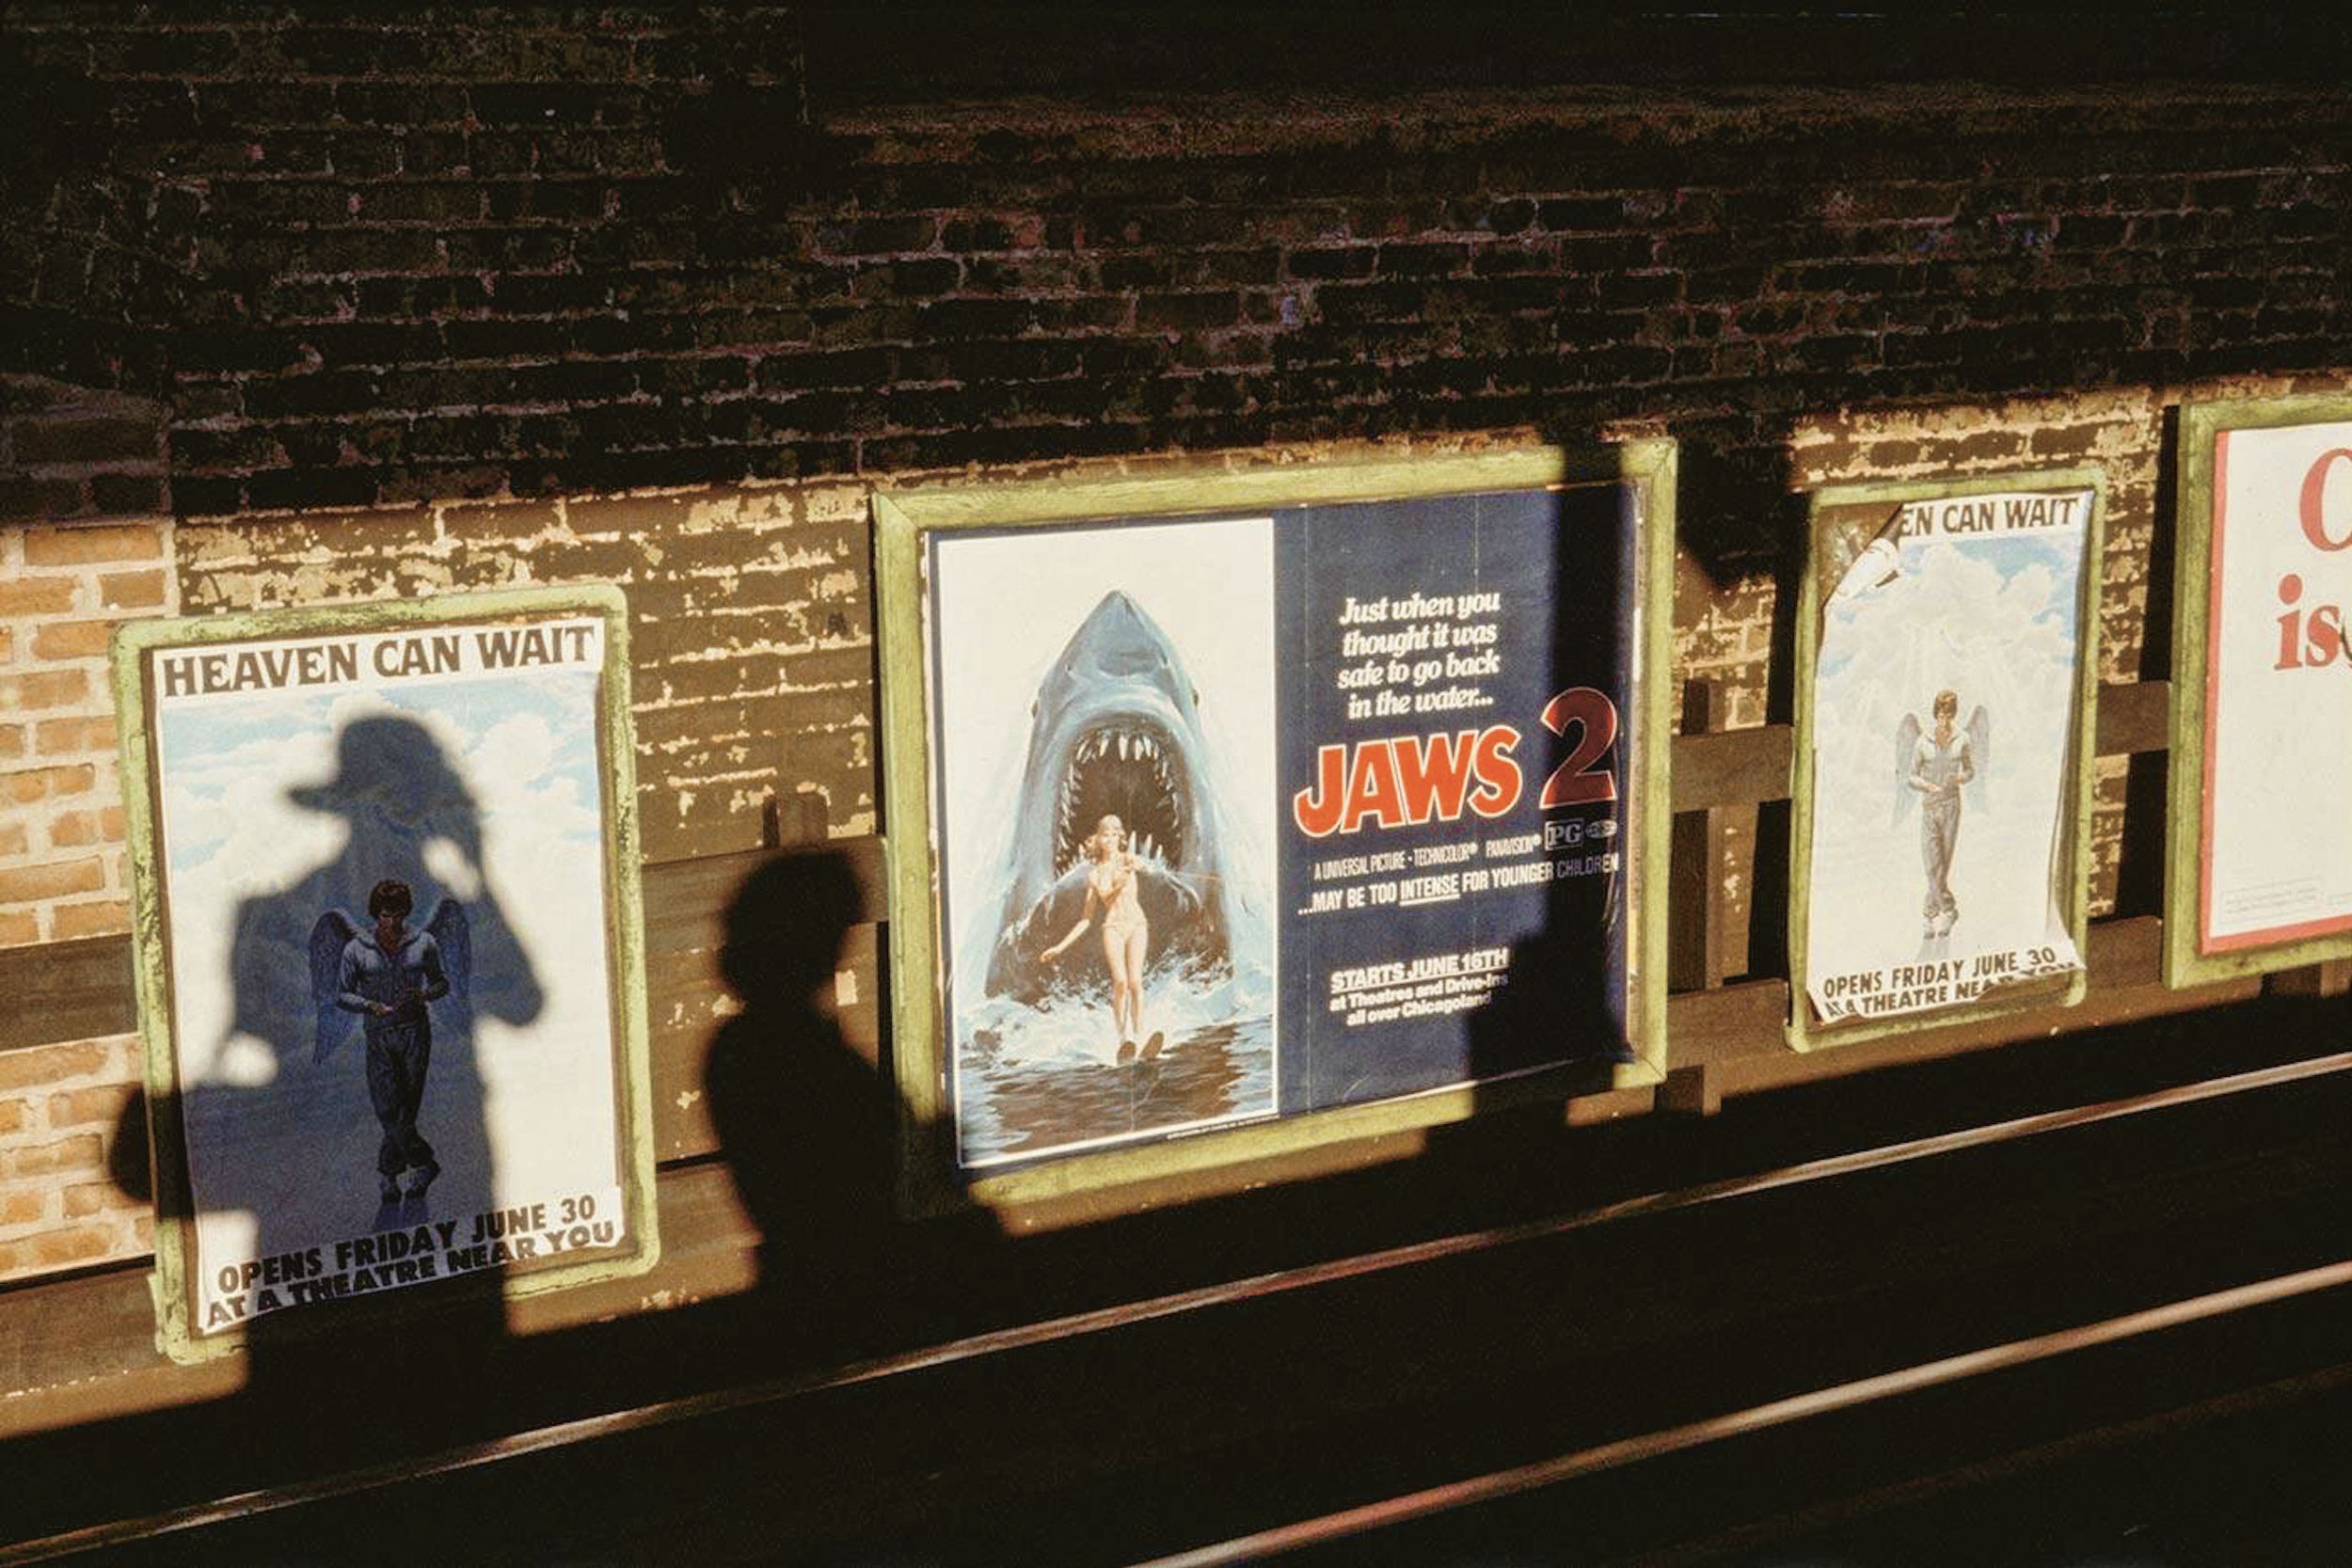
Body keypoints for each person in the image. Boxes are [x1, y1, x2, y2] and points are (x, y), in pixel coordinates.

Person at [336, 878, 451, 1201]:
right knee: (388, 1108)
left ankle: (389, 1177)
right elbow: (342, 994)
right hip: (379, 1034)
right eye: (386, 915)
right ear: (376, 913)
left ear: (406, 912)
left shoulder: (423, 942)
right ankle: (423, 1163)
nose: (391, 922)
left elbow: (442, 982)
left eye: (397, 915)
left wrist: (425, 994)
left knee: (406, 1108)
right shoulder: (356, 949)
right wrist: (369, 1005)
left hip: (415, 1032)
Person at [1039, 815, 1160, 1061]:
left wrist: (1141, 866)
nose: (1110, 839)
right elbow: (1086, 919)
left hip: (1137, 925)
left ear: (1120, 838)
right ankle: (1123, 1039)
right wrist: (1059, 947)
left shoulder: (1128, 860)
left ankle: (1140, 1036)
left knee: (1136, 982)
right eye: (1106, 835)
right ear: (1098, 839)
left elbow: (1148, 868)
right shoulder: (1095, 875)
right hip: (1113, 928)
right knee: (1121, 982)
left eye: (1115, 834)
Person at [1907, 689, 1976, 939]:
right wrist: (1926, 785)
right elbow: (1911, 776)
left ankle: (1930, 913)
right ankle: (1946, 908)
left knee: (1943, 862)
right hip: (1930, 806)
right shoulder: (1922, 741)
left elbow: (1970, 770)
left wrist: (1960, 778)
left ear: (1953, 714)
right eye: (1941, 714)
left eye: (1948, 715)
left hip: (1951, 805)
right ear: (1935, 714)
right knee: (1931, 862)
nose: (1944, 719)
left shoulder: (1962, 739)